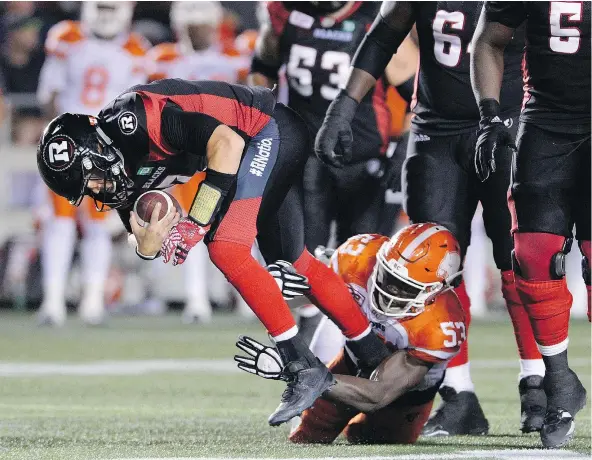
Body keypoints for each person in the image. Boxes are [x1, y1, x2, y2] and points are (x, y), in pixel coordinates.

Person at [36, 78, 392, 426]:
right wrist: (145, 247)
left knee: (225, 247)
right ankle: (371, 351)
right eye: (89, 190)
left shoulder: (137, 121)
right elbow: (140, 233)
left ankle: (302, 367)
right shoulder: (116, 172)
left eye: (93, 178)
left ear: (98, 151)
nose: (98, 190)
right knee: (293, 262)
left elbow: (225, 142)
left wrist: (197, 222)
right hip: (259, 145)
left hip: (265, 131)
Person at [314, 1, 548, 437]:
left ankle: (535, 381)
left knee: (518, 256)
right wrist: (345, 105)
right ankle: (459, 394)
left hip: (509, 121)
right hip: (435, 128)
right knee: (432, 266)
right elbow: (384, 34)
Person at [249, 1, 417, 342]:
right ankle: (313, 322)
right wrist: (259, 120)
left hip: (368, 158)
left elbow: (417, 93)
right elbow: (262, 67)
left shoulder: (376, 17)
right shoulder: (285, 13)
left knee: (363, 263)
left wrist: (404, 147)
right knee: (300, 254)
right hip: (306, 156)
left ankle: (368, 345)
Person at [470, 1, 590, 449]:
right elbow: (489, 39)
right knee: (532, 253)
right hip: (545, 121)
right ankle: (559, 384)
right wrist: (489, 116)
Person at [235, 224, 466, 444]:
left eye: (404, 287)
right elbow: (306, 299)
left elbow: (379, 393)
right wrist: (282, 287)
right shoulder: (359, 257)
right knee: (307, 437)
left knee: (365, 436)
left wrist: (309, 377)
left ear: (436, 290)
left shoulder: (441, 322)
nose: (389, 290)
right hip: (352, 361)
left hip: (401, 397)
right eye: (387, 276)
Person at [35, 1, 148, 326]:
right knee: (62, 222)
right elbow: (50, 95)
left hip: (91, 146)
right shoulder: (67, 37)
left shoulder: (134, 48)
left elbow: (49, 97)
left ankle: (88, 301)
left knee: (93, 226)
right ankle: (57, 301)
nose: (106, 14)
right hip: (80, 145)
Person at [146, 1, 251, 323]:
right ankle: (196, 298)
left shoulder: (237, 56)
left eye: (203, 24)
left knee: (242, 225)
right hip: (189, 154)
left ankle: (246, 299)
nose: (198, 31)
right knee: (191, 222)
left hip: (234, 151)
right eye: (192, 25)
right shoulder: (163, 58)